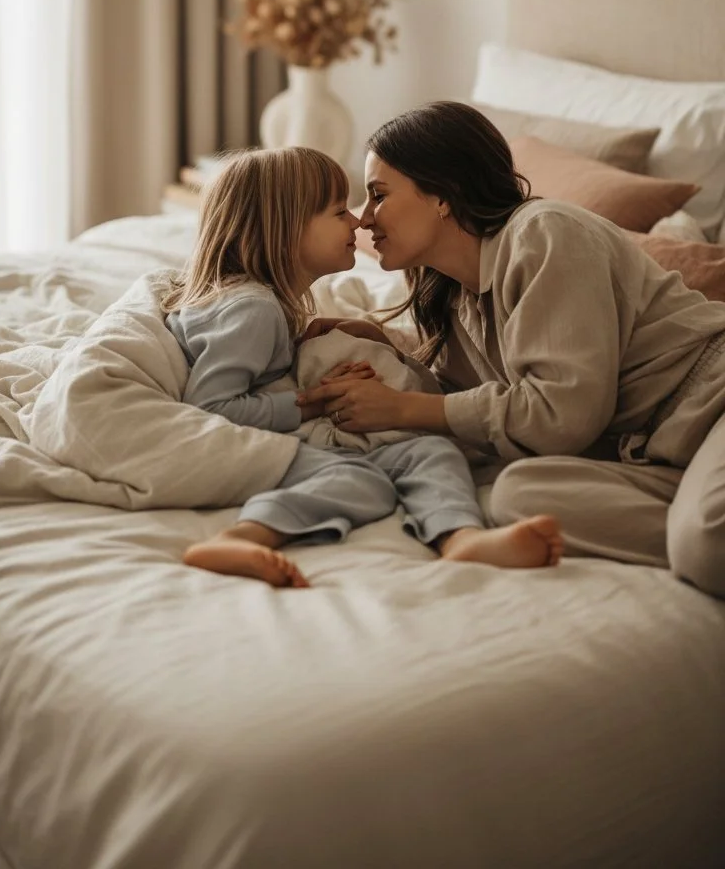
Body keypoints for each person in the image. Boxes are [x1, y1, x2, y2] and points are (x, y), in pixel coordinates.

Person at [297, 101, 725, 600]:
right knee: (515, 493)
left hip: (711, 406)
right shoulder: (452, 293)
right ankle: (691, 520)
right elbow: (479, 398)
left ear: (443, 193)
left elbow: (560, 414)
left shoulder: (545, 234)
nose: (363, 218)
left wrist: (406, 407)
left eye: (378, 194)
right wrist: (384, 344)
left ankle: (697, 530)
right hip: (656, 454)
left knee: (707, 545)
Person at [163, 146, 562, 588]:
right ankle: (242, 537)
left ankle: (460, 537)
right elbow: (212, 408)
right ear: (284, 230)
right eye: (338, 212)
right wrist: (309, 403)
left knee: (432, 451)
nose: (357, 221)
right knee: (362, 480)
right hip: (257, 444)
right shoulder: (252, 311)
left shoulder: (260, 305)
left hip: (292, 433)